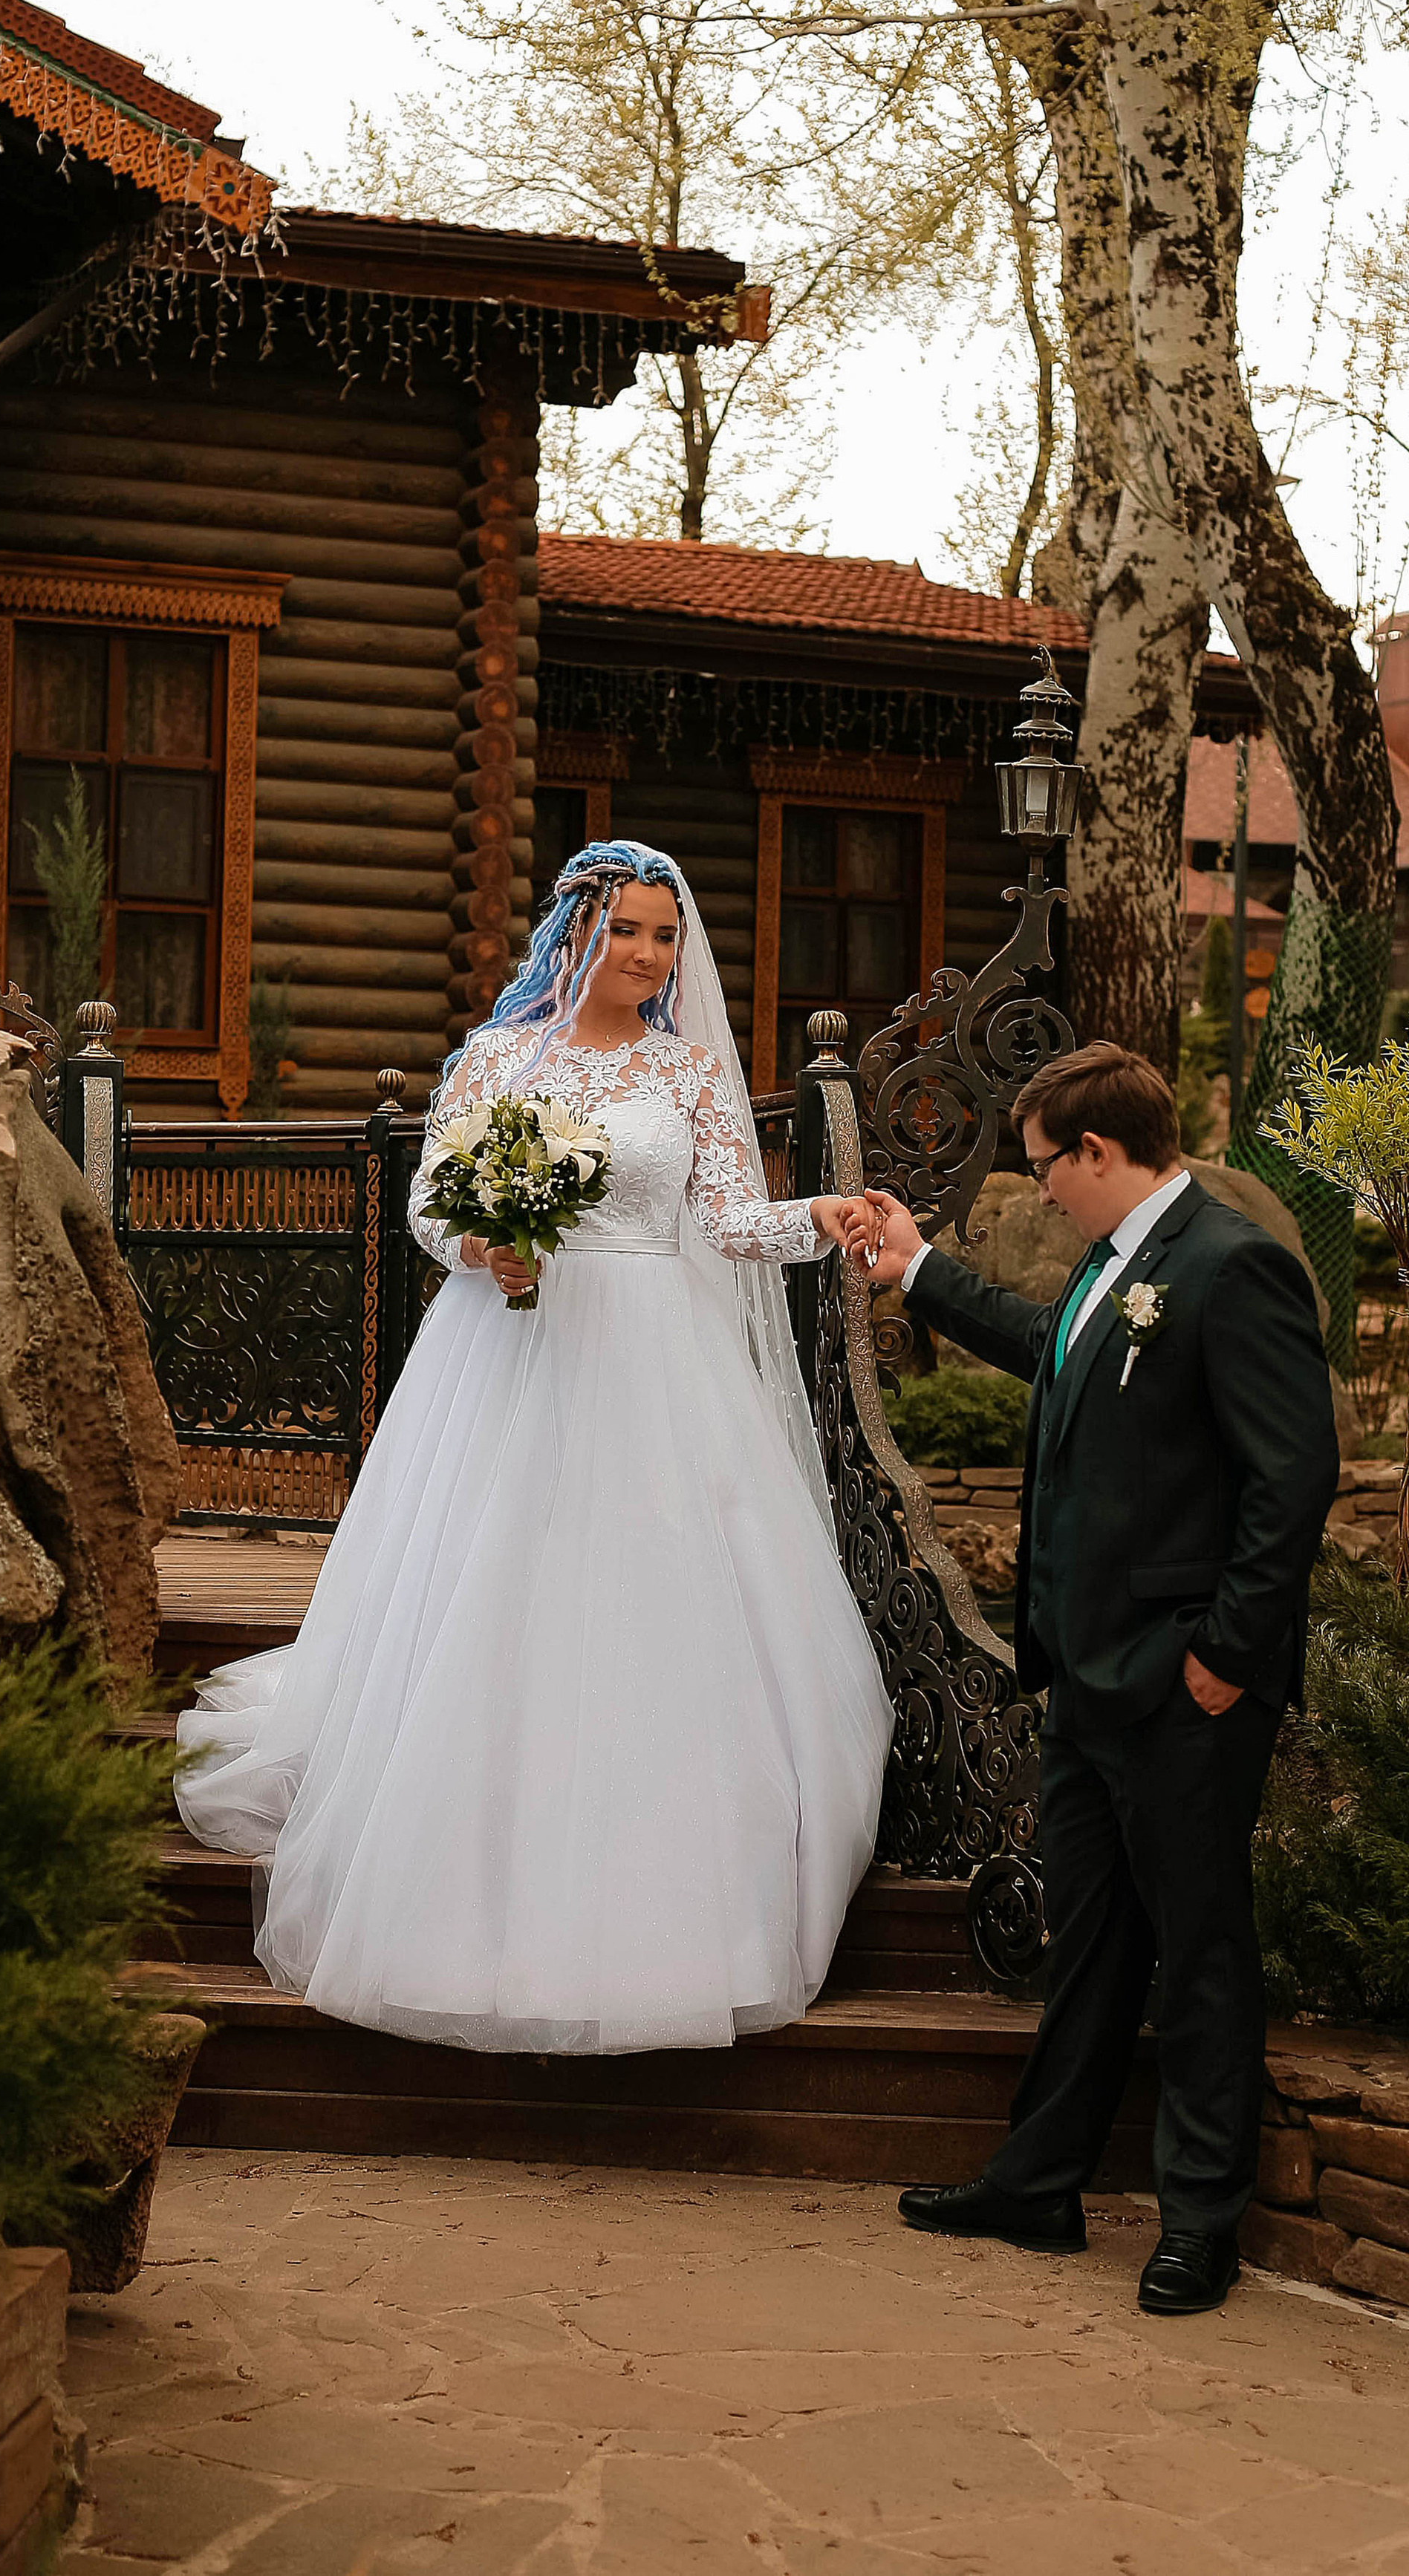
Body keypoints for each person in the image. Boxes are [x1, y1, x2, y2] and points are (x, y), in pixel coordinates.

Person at [177, 841, 894, 2054]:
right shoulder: (503, 1059)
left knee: (650, 1613)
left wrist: (816, 1217)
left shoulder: (688, 1073)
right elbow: (426, 1206)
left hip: (658, 1361)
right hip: (511, 1352)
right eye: (629, 931)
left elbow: (721, 1222)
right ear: (577, 933)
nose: (652, 956)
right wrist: (484, 1246)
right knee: (494, 1587)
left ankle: (664, 1902)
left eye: (667, 936)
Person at [860, 1043, 1338, 2315]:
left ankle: (1198, 2223)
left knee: (1200, 1949)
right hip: (1082, 1681)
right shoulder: (1112, 1267)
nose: (1038, 1191)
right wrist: (920, 1273)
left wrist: (1228, 1657)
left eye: (1043, 1168)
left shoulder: (1237, 1268)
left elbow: (1291, 1481)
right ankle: (1041, 2180)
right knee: (1091, 1948)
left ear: (1098, 1153)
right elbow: (1053, 1352)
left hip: (1186, 1686)